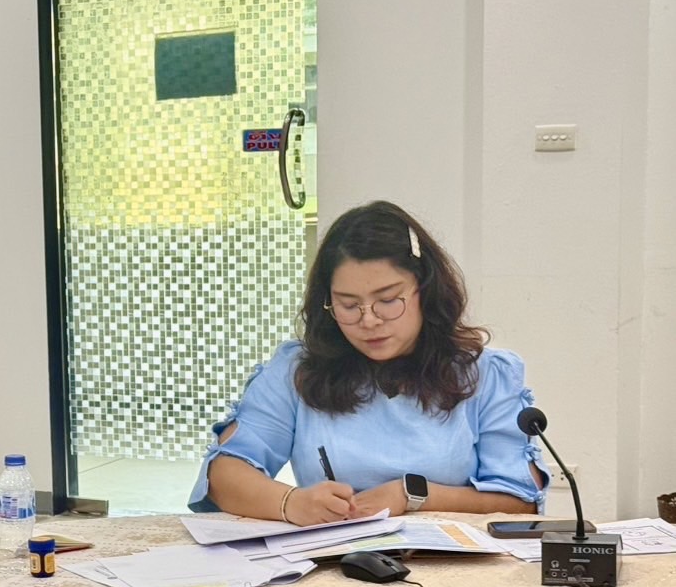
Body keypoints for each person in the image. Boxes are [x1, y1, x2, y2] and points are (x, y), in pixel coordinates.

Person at [189, 200, 547, 524]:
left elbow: (520, 502)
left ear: (425, 289)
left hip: (453, 567)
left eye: (388, 300)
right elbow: (223, 474)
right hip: (332, 563)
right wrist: (291, 503)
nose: (369, 320)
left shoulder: (485, 375)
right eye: (348, 305)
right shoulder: (296, 370)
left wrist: (413, 495)